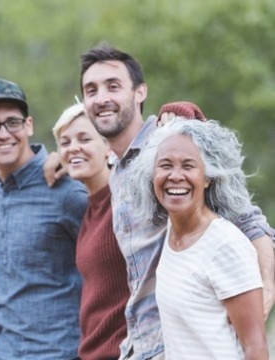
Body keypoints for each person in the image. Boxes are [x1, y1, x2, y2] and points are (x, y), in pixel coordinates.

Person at [45, 44, 274, 360]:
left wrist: (265, 293)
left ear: (140, 92)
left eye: (113, 86)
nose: (101, 98)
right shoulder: (118, 170)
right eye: (91, 90)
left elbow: (248, 221)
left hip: (183, 346)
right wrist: (57, 158)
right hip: (139, 347)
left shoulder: (171, 147)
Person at [128, 118, 268, 359]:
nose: (175, 176)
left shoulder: (225, 244)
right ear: (152, 176)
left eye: (188, 166)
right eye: (165, 165)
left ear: (207, 177)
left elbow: (255, 346)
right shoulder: (171, 232)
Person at [0, 78, 88, 359]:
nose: (2, 133)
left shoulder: (66, 188)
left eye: (12, 122)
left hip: (59, 351)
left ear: (29, 125)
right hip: (3, 351)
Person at [53, 102, 130, 360]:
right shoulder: (89, 208)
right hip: (90, 352)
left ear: (108, 146)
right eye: (65, 143)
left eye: (84, 139)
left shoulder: (128, 200)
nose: (73, 147)